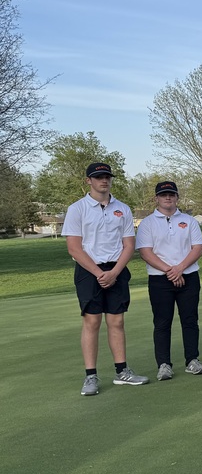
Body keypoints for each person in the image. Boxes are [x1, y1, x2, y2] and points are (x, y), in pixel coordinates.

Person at [63, 161, 149, 395]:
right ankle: (91, 376)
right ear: (88, 181)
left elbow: (129, 244)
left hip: (116, 270)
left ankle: (122, 372)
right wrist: (99, 273)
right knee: (92, 322)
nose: (104, 180)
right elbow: (74, 248)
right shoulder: (77, 209)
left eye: (107, 177)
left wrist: (114, 272)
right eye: (98, 177)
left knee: (117, 322)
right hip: (89, 270)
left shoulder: (122, 208)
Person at [136, 180, 202, 380]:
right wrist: (170, 271)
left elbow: (198, 248)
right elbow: (145, 252)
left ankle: (192, 360)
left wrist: (180, 269)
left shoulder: (189, 221)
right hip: (160, 279)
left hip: (189, 276)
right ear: (156, 198)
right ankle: (164, 365)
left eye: (171, 194)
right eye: (163, 194)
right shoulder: (148, 223)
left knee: (190, 320)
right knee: (162, 323)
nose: (168, 197)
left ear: (177, 197)